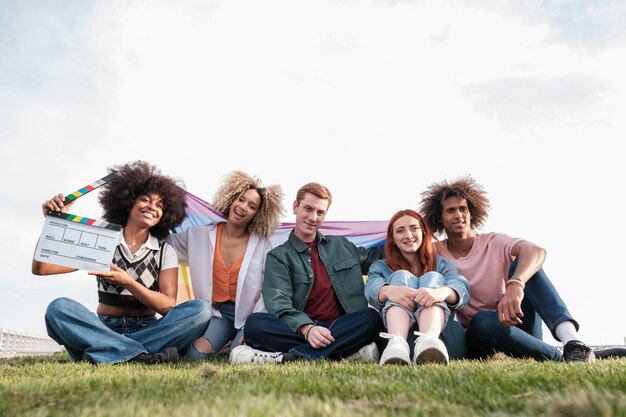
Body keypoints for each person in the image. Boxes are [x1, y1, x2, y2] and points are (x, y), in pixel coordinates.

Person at [33, 161, 211, 364]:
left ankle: (108, 350)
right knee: (58, 307)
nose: (152, 207)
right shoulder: (102, 240)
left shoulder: (164, 251)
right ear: (128, 203)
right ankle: (140, 355)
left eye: (160, 205)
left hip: (148, 328)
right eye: (145, 199)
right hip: (102, 328)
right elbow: (42, 268)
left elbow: (168, 306)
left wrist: (129, 283)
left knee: (201, 311)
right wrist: (53, 221)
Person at [418, 175, 595, 362]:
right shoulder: (434, 254)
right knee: (483, 320)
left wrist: (515, 284)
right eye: (450, 211)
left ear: (472, 213)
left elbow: (536, 251)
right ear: (439, 218)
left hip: (516, 324)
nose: (458, 215)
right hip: (478, 335)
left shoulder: (494, 242)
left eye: (463, 209)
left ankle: (573, 343)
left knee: (525, 264)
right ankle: (560, 357)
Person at [230, 182, 383, 363]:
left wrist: (413, 242)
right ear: (295, 206)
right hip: (300, 330)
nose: (313, 217)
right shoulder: (278, 257)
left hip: (341, 326)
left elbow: (379, 258)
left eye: (320, 213)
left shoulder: (342, 246)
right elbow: (278, 302)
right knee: (255, 325)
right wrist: (307, 328)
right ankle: (346, 352)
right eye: (308, 209)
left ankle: (292, 357)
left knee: (371, 318)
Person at [167, 171, 284, 359]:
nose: (243, 207)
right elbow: (166, 243)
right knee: (194, 356)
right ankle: (221, 341)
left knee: (238, 354)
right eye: (240, 199)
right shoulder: (199, 236)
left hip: (250, 317)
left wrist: (253, 325)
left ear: (258, 215)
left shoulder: (263, 245)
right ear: (231, 199)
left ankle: (234, 344)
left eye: (252, 206)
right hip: (218, 315)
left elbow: (267, 290)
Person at [365, 209, 470, 366]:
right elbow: (371, 289)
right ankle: (397, 343)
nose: (408, 235)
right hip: (398, 350)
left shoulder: (441, 263)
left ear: (423, 232)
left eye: (414, 228)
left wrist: (440, 293)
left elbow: (461, 287)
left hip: (444, 344)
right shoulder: (380, 267)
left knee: (432, 277)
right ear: (392, 238)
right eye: (400, 231)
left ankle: (429, 340)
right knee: (401, 276)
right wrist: (388, 290)